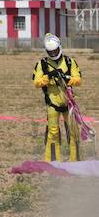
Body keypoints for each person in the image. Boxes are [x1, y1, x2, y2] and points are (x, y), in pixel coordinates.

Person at [32, 33, 82, 161]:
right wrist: (48, 77)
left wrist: (67, 78)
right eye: (51, 52)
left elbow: (78, 79)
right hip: (52, 104)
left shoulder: (70, 62)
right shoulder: (42, 64)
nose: (53, 54)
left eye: (55, 51)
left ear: (60, 47)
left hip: (68, 104)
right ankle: (53, 161)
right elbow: (36, 82)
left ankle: (74, 160)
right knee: (53, 132)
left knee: (73, 131)